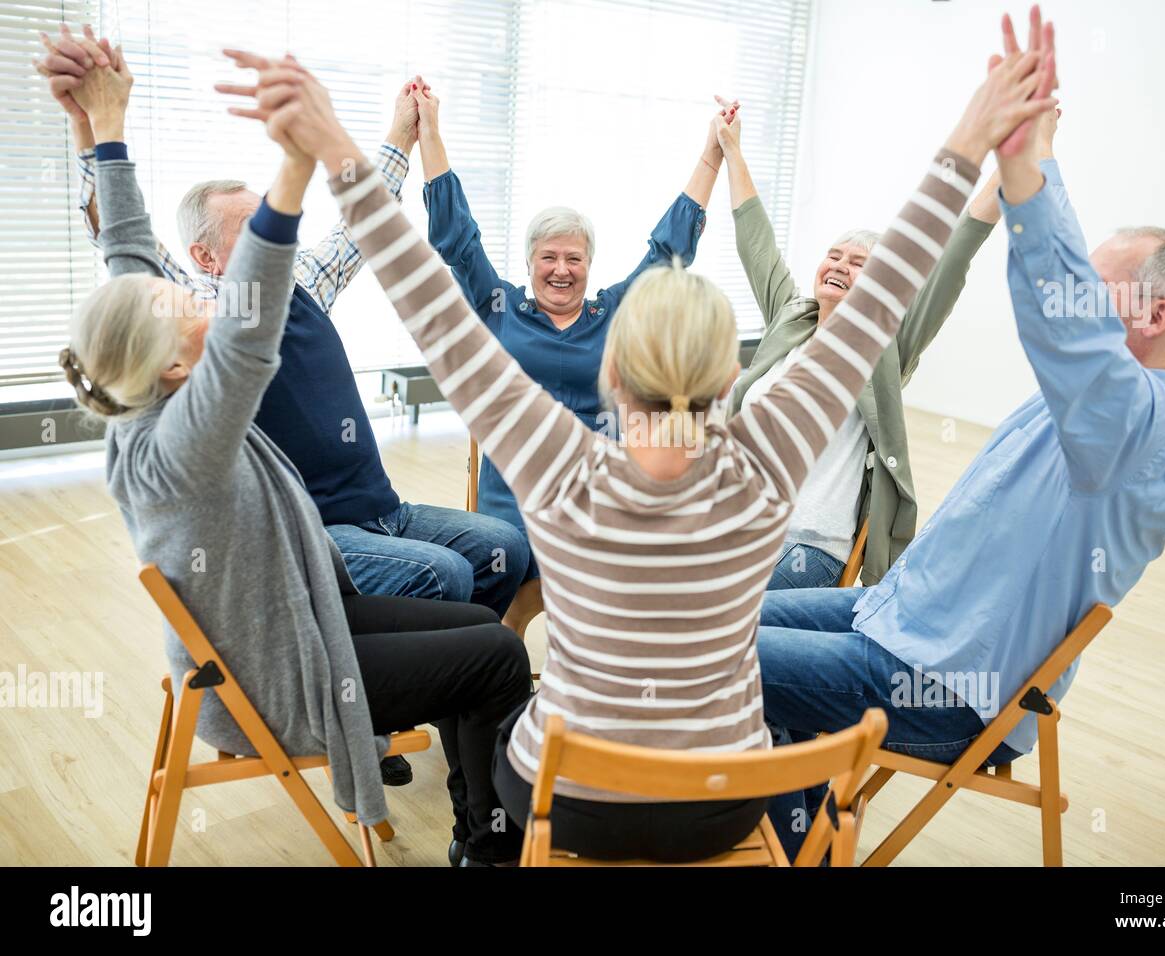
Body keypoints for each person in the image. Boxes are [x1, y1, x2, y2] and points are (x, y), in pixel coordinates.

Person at [223, 32, 1057, 861]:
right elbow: (887, 292)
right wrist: (973, 138)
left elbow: (430, 303)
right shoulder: (768, 459)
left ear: (610, 372)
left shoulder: (557, 465)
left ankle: (484, 844)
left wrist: (332, 145)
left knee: (506, 713)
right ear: (730, 383)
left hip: (571, 799)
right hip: (721, 805)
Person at [54, 40, 531, 867]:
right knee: (494, 654)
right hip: (279, 671)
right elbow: (246, 329)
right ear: (172, 361)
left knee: (476, 621)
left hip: (304, 612)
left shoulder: (149, 382)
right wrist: (294, 161)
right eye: (182, 293)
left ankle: (478, 816)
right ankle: (489, 847)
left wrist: (106, 123)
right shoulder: (183, 439)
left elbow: (125, 249)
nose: (191, 292)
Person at [757, 8, 1165, 858]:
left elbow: (1069, 335)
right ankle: (798, 827)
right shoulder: (1095, 405)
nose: (1076, 299)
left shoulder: (1150, 435)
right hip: (893, 618)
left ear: (1155, 314)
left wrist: (1029, 167)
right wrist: (1032, 152)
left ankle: (786, 844)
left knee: (708, 651)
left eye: (1097, 287)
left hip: (948, 686)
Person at [38, 26, 530, 624]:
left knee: (504, 546)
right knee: (444, 574)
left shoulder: (303, 283)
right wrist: (92, 125)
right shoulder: (198, 313)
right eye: (253, 224)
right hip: (316, 533)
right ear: (204, 258)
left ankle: (460, 674)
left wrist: (403, 130)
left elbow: (361, 226)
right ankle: (416, 672)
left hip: (385, 510)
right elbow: (118, 234)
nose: (277, 231)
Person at [718, 100, 1050, 589]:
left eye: (857, 264)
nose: (839, 265)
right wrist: (732, 149)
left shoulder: (884, 348)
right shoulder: (788, 322)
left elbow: (956, 249)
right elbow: (756, 239)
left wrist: (1013, 161)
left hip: (804, 545)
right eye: (834, 255)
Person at [413, 84, 726, 583]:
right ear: (531, 263)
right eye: (549, 258)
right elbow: (457, 237)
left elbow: (669, 254)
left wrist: (712, 155)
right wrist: (429, 132)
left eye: (574, 259)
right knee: (497, 569)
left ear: (589, 265)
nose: (561, 270)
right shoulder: (499, 306)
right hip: (511, 504)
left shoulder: (617, 313)